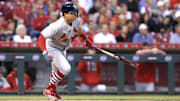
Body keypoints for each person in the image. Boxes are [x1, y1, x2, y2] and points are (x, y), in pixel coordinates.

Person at [38, 2, 92, 101]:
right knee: (66, 69)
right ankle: (49, 88)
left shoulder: (76, 20)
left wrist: (85, 40)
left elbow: (78, 30)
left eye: (75, 12)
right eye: (72, 12)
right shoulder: (58, 25)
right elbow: (41, 36)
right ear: (65, 14)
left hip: (63, 48)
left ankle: (52, 93)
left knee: (56, 74)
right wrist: (44, 52)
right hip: (53, 47)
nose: (75, 14)